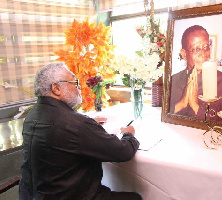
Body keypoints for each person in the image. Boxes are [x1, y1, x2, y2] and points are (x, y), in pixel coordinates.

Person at [19, 62, 142, 200]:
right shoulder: (75, 124)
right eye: (73, 81)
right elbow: (123, 151)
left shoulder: (32, 116)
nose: (78, 86)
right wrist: (129, 133)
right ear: (56, 88)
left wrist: (88, 125)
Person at [170, 25, 222, 121]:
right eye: (196, 49)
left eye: (206, 47)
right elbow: (165, 114)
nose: (203, 54)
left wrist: (195, 105)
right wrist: (182, 103)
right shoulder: (173, 80)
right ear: (184, 54)